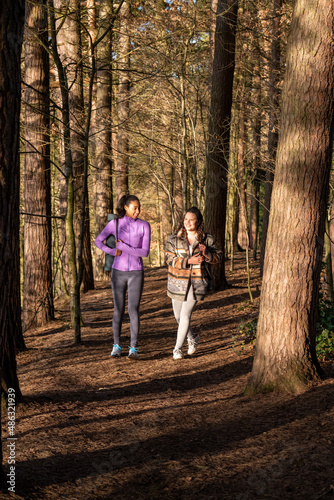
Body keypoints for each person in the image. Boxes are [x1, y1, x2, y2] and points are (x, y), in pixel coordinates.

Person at [95, 194, 151, 360]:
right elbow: (98, 241)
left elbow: (144, 252)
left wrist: (123, 246)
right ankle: (116, 346)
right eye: (135, 208)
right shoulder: (115, 223)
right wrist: (112, 251)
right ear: (126, 208)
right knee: (118, 310)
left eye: (139, 208)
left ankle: (133, 347)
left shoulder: (144, 225)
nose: (138, 211)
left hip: (136, 273)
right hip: (118, 273)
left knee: (133, 310)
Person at [165, 207, 223, 360]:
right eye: (185, 219)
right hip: (177, 281)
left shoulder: (206, 239)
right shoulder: (174, 239)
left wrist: (207, 254)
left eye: (191, 219)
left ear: (198, 222)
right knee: (178, 316)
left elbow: (219, 257)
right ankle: (192, 338)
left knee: (185, 314)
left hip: (197, 282)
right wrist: (188, 261)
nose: (187, 222)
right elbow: (169, 259)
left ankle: (177, 349)